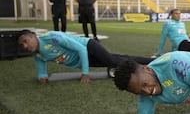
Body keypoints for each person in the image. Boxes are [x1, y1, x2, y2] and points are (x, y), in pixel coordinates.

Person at [17, 30, 153, 84]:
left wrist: (85, 73)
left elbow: (81, 48)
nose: (24, 46)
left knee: (112, 61)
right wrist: (42, 76)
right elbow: (41, 67)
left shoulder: (53, 38)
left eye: (25, 41)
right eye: (21, 45)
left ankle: (150, 63)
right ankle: (148, 62)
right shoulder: (37, 54)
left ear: (33, 36)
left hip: (88, 46)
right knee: (117, 60)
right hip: (83, 59)